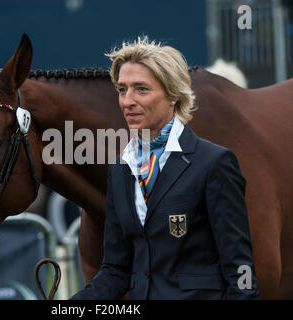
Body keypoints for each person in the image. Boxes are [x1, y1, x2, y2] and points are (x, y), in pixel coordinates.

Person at [70, 37, 259, 300]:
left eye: (141, 89)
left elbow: (240, 271)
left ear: (173, 94)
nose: (128, 101)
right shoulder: (120, 169)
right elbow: (116, 269)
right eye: (122, 89)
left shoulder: (214, 163)